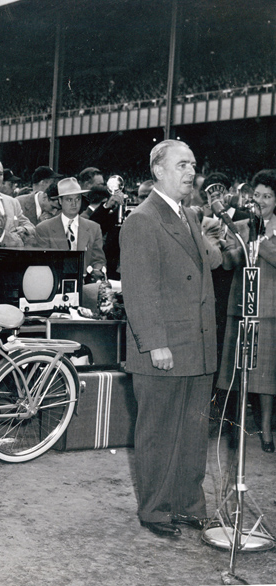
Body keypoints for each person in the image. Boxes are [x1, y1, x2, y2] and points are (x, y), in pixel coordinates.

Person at [120, 139, 223, 538]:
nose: (191, 172)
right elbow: (139, 288)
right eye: (182, 165)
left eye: (193, 164)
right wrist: (155, 342)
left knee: (193, 432)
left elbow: (212, 262)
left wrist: (210, 231)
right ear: (158, 170)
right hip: (164, 346)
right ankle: (156, 510)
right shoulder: (143, 219)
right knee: (159, 432)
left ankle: (189, 505)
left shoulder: (188, 216)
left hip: (196, 345)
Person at [217, 169, 276, 453]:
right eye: (257, 195)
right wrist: (225, 244)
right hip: (240, 308)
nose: (261, 200)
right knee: (237, 372)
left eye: (267, 196)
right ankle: (235, 428)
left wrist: (258, 239)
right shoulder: (239, 225)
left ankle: (266, 431)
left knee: (265, 378)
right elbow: (228, 263)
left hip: (268, 310)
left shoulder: (264, 229)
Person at [35, 177, 106, 276]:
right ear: (60, 201)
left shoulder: (94, 228)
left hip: (85, 285)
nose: (74, 204)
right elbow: (42, 264)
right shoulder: (43, 228)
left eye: (78, 199)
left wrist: (96, 271)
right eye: (69, 199)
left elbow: (99, 260)